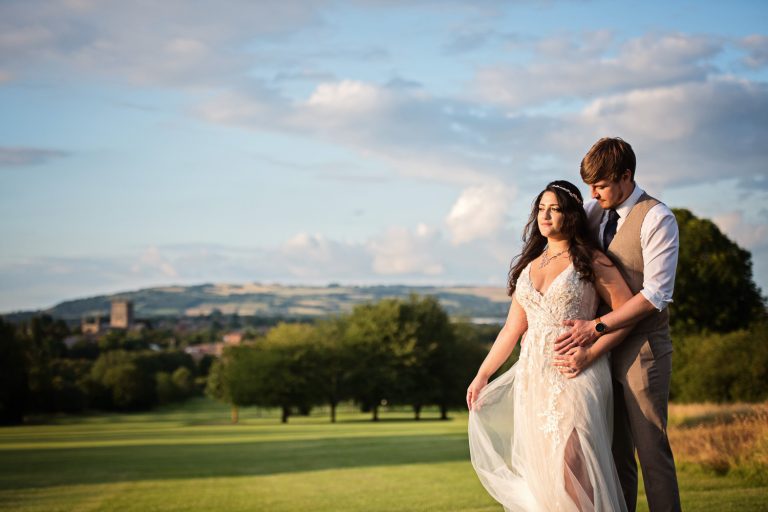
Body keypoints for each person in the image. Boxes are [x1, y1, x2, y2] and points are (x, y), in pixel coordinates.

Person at [467, 180, 634, 512]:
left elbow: (627, 314)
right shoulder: (529, 266)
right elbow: (511, 330)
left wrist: (592, 351)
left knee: (573, 463)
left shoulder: (591, 260)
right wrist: (483, 374)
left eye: (554, 209)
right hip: (535, 379)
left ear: (571, 215)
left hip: (578, 371)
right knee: (546, 475)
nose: (545, 215)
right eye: (541, 209)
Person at [553, 138, 682, 512]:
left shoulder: (658, 218)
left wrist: (594, 329)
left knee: (651, 451)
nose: (593, 194)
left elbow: (656, 294)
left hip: (643, 351)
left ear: (627, 176)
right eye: (590, 185)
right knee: (614, 454)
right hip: (600, 356)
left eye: (602, 185)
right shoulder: (593, 212)